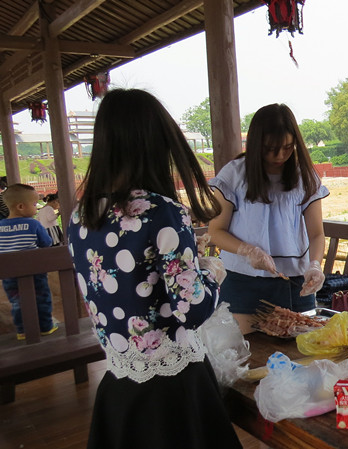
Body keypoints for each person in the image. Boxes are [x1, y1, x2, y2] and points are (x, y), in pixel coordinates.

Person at [66, 88, 242, 449]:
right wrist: (212, 272)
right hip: (174, 387)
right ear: (154, 144)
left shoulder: (80, 217)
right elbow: (192, 309)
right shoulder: (161, 212)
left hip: (119, 385)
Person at [207, 103, 328, 334]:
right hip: (243, 280)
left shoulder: (305, 176)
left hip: (295, 283)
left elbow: (316, 233)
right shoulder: (234, 174)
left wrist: (315, 265)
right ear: (256, 144)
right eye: (270, 148)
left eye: (288, 147)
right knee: (249, 353)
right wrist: (248, 250)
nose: (280, 155)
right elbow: (215, 231)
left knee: (301, 352)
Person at [0, 183, 57, 340]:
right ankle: (45, 327)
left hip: (9, 276)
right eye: (34, 204)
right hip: (35, 273)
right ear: (20, 206)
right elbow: (47, 243)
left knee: (17, 302)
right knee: (42, 298)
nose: (35, 207)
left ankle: (22, 330)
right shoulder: (33, 224)